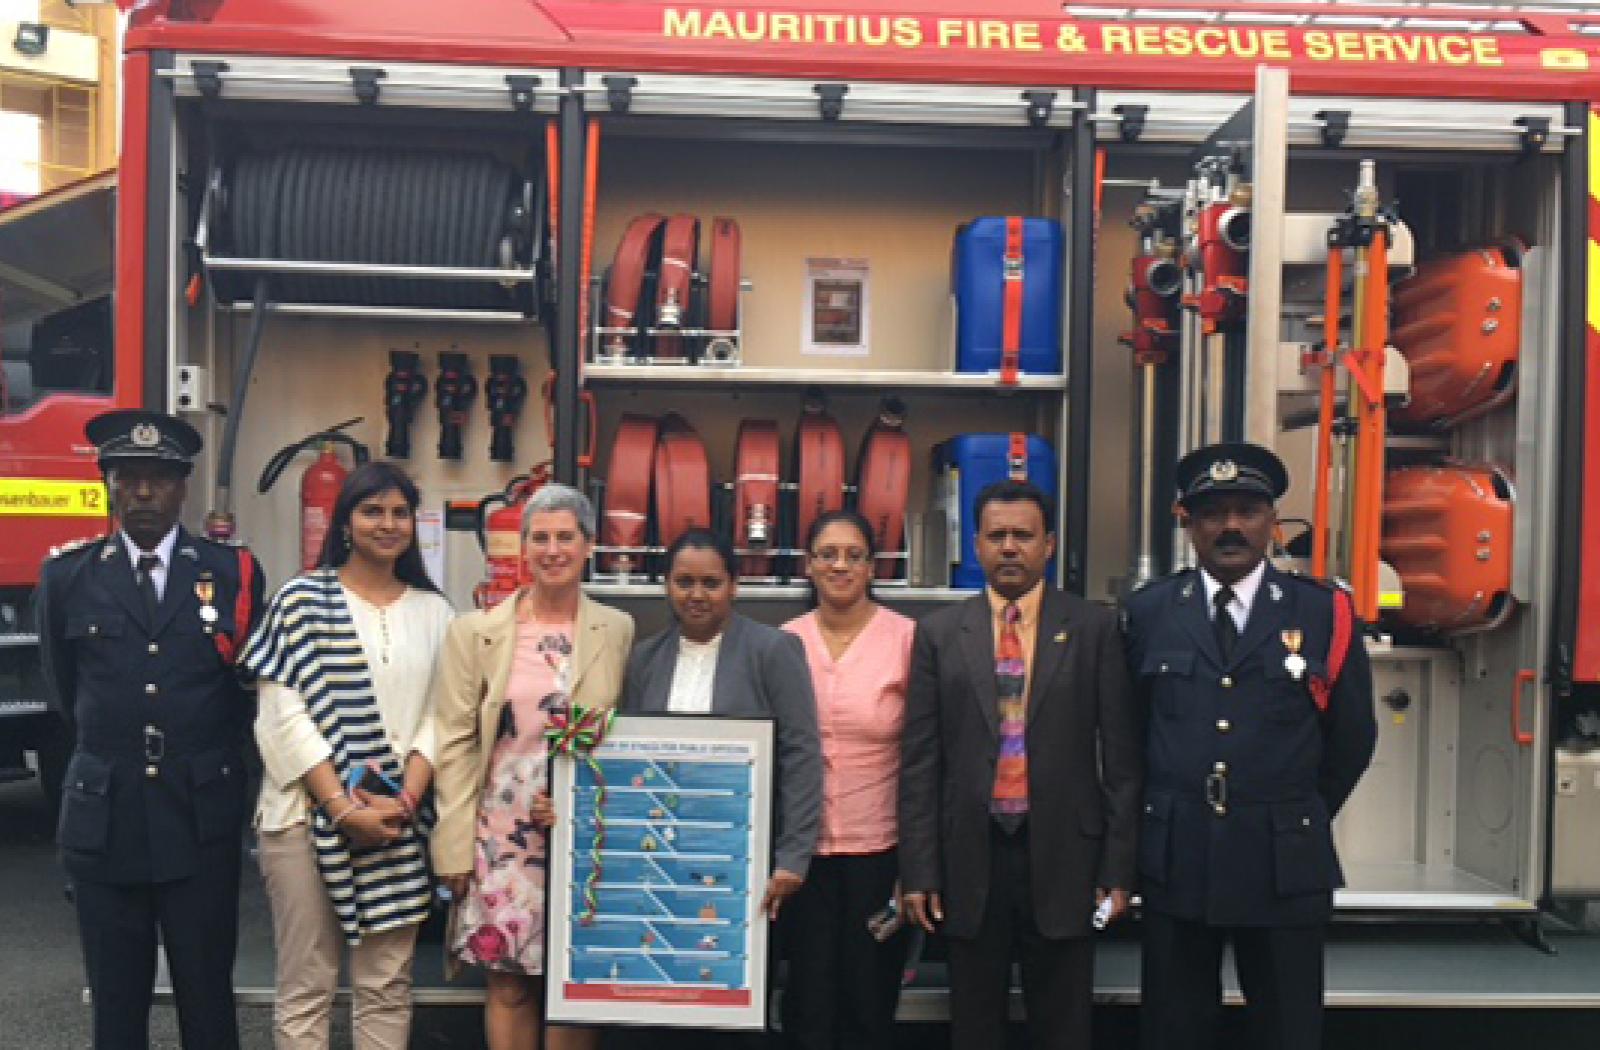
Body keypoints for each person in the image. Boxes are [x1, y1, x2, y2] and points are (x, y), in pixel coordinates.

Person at [1123, 442, 1377, 1050]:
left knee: (1288, 1030)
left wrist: (1294, 812)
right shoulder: (1148, 612)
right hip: (1179, 856)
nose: (1230, 526)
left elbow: (1352, 737)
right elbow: (1130, 735)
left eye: (1247, 511)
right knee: (1174, 1030)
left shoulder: (1323, 612)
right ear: (1188, 523)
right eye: (1213, 513)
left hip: (1282, 861)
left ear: (1272, 522)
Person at [36, 409, 265, 1050]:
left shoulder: (231, 572)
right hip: (107, 816)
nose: (143, 491)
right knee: (116, 1005)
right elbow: (64, 693)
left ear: (182, 486)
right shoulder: (67, 576)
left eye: (159, 478)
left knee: (207, 999)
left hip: (199, 812)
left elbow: (244, 694)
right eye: (127, 476)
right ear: (107, 483)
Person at [899, 478, 1142, 1050]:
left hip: (1066, 859)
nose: (1009, 547)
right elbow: (920, 762)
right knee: (974, 1029)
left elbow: (1123, 762)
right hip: (968, 860)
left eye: (1023, 536)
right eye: (996, 536)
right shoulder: (938, 634)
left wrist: (1118, 870)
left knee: (1064, 1030)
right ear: (976, 546)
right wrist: (920, 871)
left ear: (1049, 544)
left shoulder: (1094, 628)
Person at [240, 461, 454, 1050]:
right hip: (304, 819)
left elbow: (442, 717)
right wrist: (340, 806)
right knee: (306, 985)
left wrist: (404, 802)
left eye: (400, 513)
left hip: (395, 823)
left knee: (387, 986)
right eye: (371, 510)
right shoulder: (301, 600)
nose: (387, 524)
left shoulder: (436, 613)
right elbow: (281, 714)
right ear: (345, 521)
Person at [431, 483, 633, 1050]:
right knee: (508, 981)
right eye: (540, 538)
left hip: (582, 833)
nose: (552, 551)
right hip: (500, 835)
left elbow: (623, 738)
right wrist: (452, 845)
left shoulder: (617, 630)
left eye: (565, 537)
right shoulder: (476, 633)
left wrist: (583, 806)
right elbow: (454, 742)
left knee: (576, 980)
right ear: (523, 548)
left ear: (589, 546)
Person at [621, 528, 822, 1045]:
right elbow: (631, 760)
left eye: (710, 583)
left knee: (733, 1007)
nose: (697, 595)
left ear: (734, 585)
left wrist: (793, 857)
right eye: (684, 582)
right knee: (665, 1004)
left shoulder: (773, 650)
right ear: (666, 585)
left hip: (746, 867)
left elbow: (802, 754)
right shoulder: (644, 659)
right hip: (664, 865)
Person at [778, 510, 914, 1050]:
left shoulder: (906, 639)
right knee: (807, 1006)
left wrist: (917, 866)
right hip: (801, 858)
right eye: (827, 554)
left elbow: (926, 755)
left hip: (880, 855)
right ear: (808, 565)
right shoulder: (784, 643)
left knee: (869, 1005)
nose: (840, 565)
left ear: (872, 566)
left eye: (854, 555)